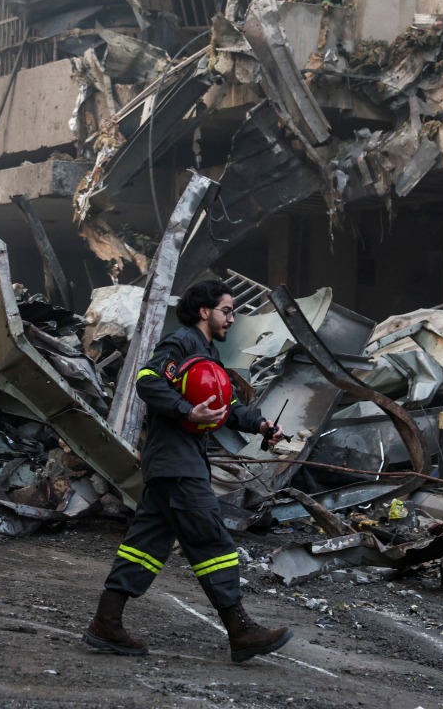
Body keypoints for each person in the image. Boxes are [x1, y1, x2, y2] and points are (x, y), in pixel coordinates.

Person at [84, 280, 293, 664]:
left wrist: (262, 425)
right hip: (176, 462)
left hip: (177, 462)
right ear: (204, 311)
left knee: (144, 546)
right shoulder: (180, 343)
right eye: (227, 310)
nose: (232, 318)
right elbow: (147, 380)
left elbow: (226, 406)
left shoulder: (208, 353)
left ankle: (106, 621)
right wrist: (185, 410)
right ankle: (240, 629)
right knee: (211, 541)